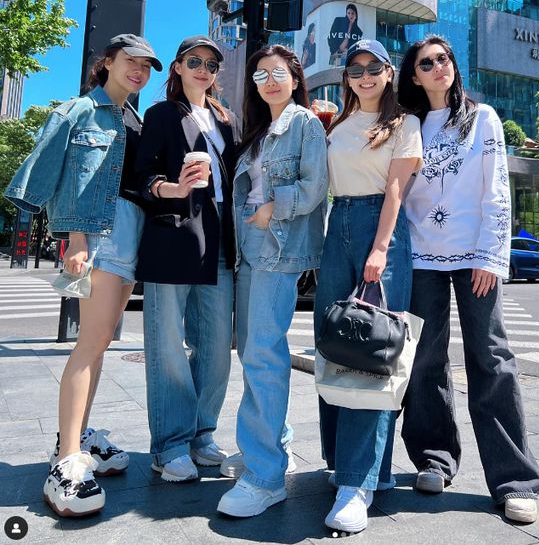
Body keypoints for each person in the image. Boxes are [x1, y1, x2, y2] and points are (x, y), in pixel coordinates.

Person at [4, 34, 162, 516]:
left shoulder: (133, 118)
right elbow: (52, 171)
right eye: (131, 61)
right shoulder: (79, 110)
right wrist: (74, 238)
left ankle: (77, 435)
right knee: (90, 343)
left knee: (102, 342)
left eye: (146, 67)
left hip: (130, 234)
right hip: (97, 234)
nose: (139, 71)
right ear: (107, 62)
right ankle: (67, 459)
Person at [397, 35, 539, 523]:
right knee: (424, 359)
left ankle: (514, 479)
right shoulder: (409, 124)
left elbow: (496, 188)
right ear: (414, 75)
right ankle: (434, 459)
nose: (439, 67)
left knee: (491, 356)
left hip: (475, 255)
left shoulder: (482, 118)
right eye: (427, 63)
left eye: (444, 59)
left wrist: (490, 256)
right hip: (421, 255)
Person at [314, 39, 422, 533]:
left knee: (373, 354)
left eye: (373, 67)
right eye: (354, 69)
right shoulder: (336, 123)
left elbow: (396, 190)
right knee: (335, 344)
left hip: (382, 229)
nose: (364, 75)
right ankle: (351, 465)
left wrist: (379, 249)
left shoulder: (404, 124)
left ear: (388, 72)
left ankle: (356, 483)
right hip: (338, 224)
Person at [217, 45, 328, 517]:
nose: (269, 81)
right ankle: (270, 444)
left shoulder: (304, 122)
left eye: (277, 72)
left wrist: (271, 208)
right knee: (253, 351)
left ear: (295, 77)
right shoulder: (261, 130)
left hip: (278, 245)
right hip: (249, 246)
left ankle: (266, 477)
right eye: (260, 75)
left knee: (263, 353)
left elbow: (315, 186)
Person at [134, 36, 238, 483]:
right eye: (194, 61)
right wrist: (172, 188)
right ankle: (170, 445)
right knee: (167, 348)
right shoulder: (161, 114)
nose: (203, 69)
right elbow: (141, 175)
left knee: (215, 348)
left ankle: (201, 433)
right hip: (173, 234)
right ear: (177, 67)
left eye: (211, 64)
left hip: (219, 238)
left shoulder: (226, 120)